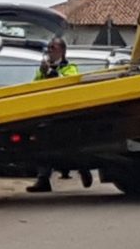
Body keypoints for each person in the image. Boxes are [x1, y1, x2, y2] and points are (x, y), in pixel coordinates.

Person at [26, 37, 94, 193]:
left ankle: (83, 169)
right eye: (49, 47)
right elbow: (34, 87)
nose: (50, 50)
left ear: (62, 51)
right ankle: (43, 180)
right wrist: (43, 74)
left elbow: (68, 84)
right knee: (43, 146)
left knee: (72, 147)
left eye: (53, 47)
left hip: (66, 115)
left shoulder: (70, 68)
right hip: (47, 113)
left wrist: (50, 72)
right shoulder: (41, 70)